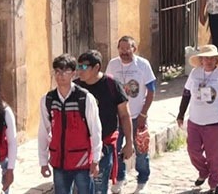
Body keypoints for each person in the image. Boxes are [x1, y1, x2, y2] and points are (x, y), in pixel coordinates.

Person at [39, 54, 103, 194]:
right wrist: (43, 161)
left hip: (82, 161)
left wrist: (96, 159)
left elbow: (95, 129)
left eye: (65, 71)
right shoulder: (48, 99)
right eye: (57, 71)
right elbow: (43, 131)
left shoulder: (84, 98)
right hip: (59, 161)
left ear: (74, 73)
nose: (60, 76)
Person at [177, 45, 218, 192]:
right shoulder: (195, 73)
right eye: (206, 58)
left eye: (211, 58)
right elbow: (186, 93)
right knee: (193, 150)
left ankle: (214, 183)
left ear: (216, 60)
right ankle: (203, 171)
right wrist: (181, 114)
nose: (208, 61)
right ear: (201, 60)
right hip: (195, 120)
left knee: (215, 156)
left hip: (215, 121)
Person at [73, 50, 132, 194]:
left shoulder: (112, 85)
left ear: (97, 67)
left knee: (99, 187)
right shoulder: (74, 88)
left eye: (84, 67)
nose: (80, 71)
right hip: (79, 147)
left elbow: (124, 115)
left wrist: (129, 143)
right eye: (78, 67)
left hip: (104, 147)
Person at [105, 36, 156, 193]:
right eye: (122, 48)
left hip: (136, 116)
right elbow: (107, 87)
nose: (125, 52)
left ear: (134, 48)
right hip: (117, 117)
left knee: (141, 150)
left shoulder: (143, 65)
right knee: (116, 148)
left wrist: (143, 113)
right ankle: (120, 177)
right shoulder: (113, 64)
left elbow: (151, 90)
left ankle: (143, 180)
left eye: (128, 48)